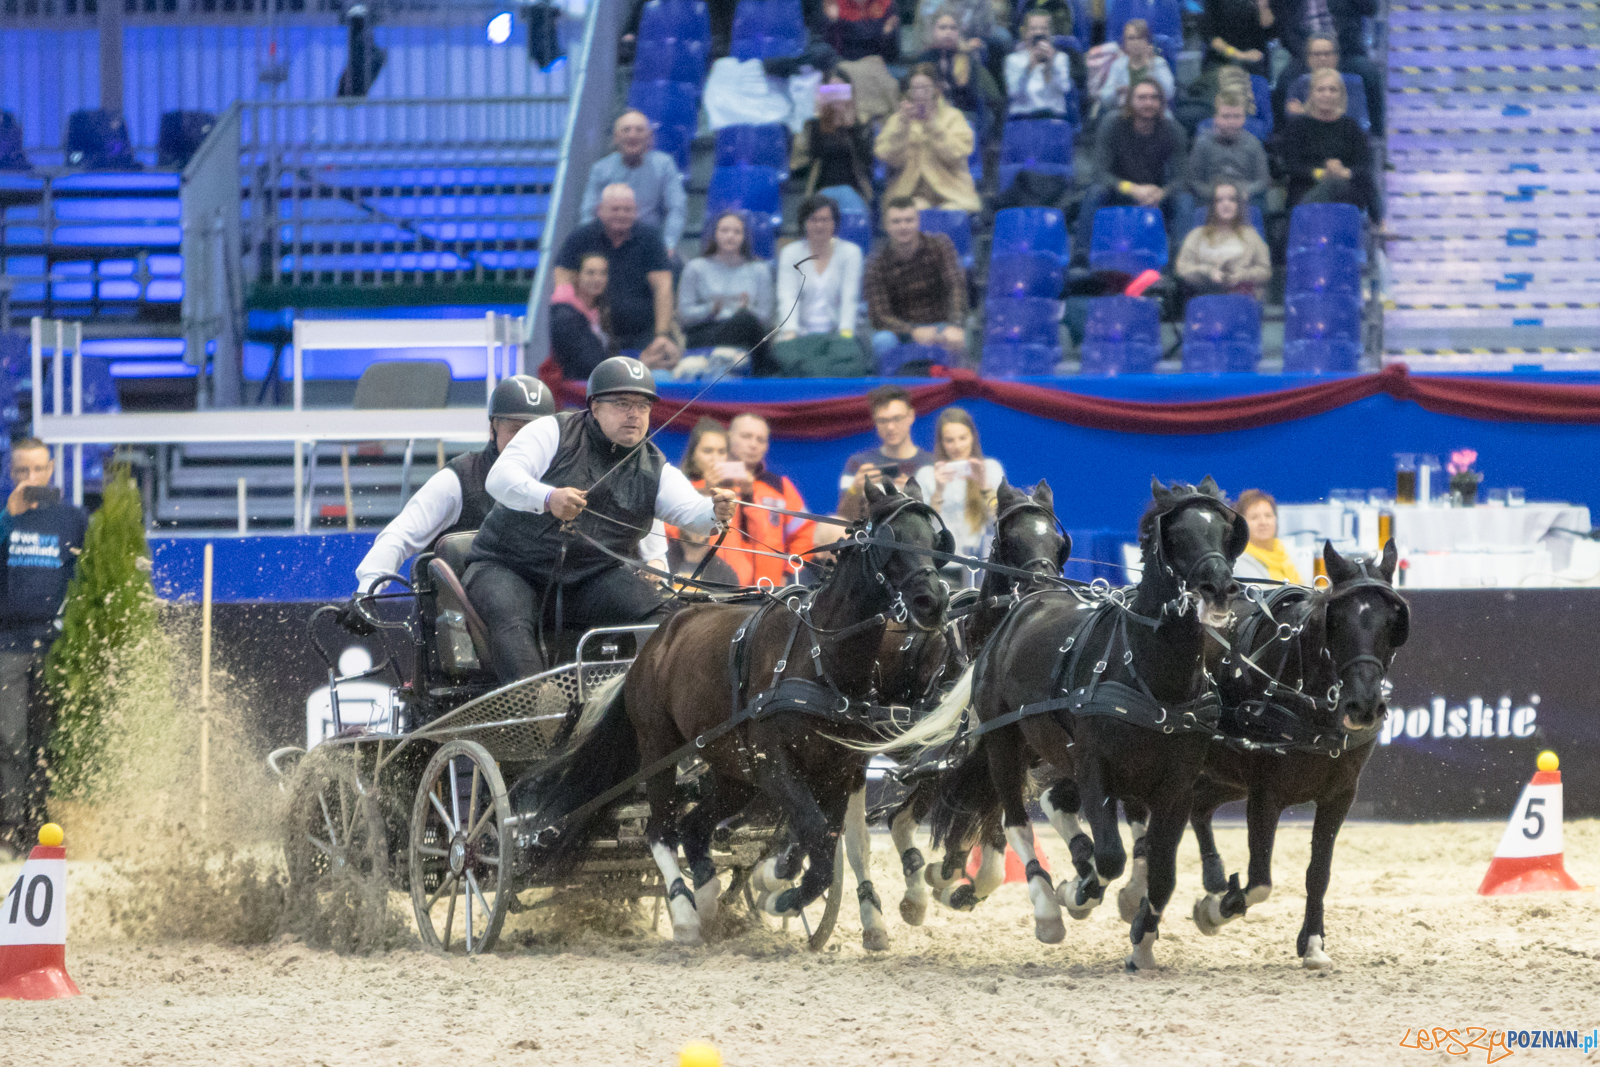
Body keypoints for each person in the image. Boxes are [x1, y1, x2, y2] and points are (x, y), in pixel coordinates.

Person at [464, 357, 735, 683]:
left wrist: (714, 513)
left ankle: (647, 701)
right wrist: (548, 499)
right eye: (622, 404)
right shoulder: (552, 430)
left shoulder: (654, 466)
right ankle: (535, 715)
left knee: (666, 616)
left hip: (588, 578)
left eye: (643, 406)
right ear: (594, 406)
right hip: (506, 567)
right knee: (510, 619)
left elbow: (692, 514)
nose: (635, 414)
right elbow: (500, 479)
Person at [355, 376, 561, 592]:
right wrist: (367, 589)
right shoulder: (460, 478)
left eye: (535, 432)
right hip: (463, 610)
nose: (525, 441)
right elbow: (400, 535)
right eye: (515, 429)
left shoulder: (564, 479)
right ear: (492, 430)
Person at [0, 440, 86, 855]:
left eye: (37, 470)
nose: (30, 479)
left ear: (51, 470)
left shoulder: (71, 519)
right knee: (9, 737)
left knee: (47, 738)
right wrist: (6, 521)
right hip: (7, 643)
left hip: (55, 644)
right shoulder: (4, 518)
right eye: (22, 471)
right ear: (10, 472)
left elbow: (88, 573)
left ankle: (42, 822)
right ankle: (10, 826)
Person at [552, 184, 680, 368]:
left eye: (627, 209)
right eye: (615, 209)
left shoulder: (651, 238)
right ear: (599, 211)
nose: (621, 214)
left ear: (636, 212)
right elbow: (563, 290)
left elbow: (663, 288)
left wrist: (662, 336)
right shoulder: (579, 238)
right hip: (594, 335)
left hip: (644, 334)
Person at [1078, 77, 1193, 254]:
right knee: (1094, 191)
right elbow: (1099, 173)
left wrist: (1162, 193)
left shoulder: (1174, 130)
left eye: (1154, 98)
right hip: (1120, 191)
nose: (1148, 103)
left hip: (1155, 195)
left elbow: (1182, 178)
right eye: (1142, 97)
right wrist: (1132, 188)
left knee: (1184, 199)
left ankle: (1182, 260)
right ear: (1130, 101)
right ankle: (1082, 255)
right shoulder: (1112, 124)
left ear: (1161, 102)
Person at [770, 195, 872, 377]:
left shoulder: (851, 252)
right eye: (813, 220)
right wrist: (790, 333)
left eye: (825, 220)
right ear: (804, 223)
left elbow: (850, 298)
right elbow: (787, 297)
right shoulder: (790, 253)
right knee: (788, 360)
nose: (819, 225)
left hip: (838, 334)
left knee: (848, 362)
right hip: (798, 335)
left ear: (835, 223)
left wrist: (845, 334)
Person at [718, 412, 818, 587]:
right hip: (719, 589)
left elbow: (805, 534)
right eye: (746, 436)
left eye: (761, 440)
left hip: (769, 593)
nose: (753, 444)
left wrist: (790, 573)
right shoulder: (710, 481)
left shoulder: (780, 486)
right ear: (728, 437)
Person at [863, 197, 968, 363]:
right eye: (896, 222)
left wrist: (954, 325)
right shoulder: (876, 261)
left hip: (940, 325)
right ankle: (888, 387)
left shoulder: (940, 245)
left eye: (908, 220)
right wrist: (913, 331)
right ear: (887, 226)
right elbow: (879, 316)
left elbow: (955, 287)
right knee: (882, 341)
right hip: (899, 332)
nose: (903, 226)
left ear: (918, 221)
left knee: (957, 338)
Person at [577, 110, 688, 256]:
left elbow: (677, 208)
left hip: (649, 244)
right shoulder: (600, 169)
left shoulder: (664, 165)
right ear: (616, 137)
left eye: (639, 130)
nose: (632, 135)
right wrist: (590, 244)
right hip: (608, 243)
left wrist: (669, 243)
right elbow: (588, 212)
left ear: (650, 138)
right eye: (626, 130)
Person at [873, 65, 981, 213]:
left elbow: (956, 154)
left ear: (936, 89)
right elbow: (887, 155)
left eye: (925, 88)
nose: (920, 94)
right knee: (916, 209)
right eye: (915, 89)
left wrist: (933, 126)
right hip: (909, 192)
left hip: (951, 190)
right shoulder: (899, 120)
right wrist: (902, 126)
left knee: (950, 212)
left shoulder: (953, 117)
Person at [1281, 69, 1379, 221]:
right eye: (1321, 89)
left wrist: (1344, 173)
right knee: (1334, 184)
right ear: (1311, 94)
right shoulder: (1297, 126)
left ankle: (1379, 219)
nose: (1327, 94)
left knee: (1355, 182)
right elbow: (1292, 166)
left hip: (1346, 193)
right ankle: (1378, 221)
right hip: (1306, 192)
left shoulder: (1351, 127)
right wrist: (1323, 173)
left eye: (1333, 90)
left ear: (1341, 95)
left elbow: (1364, 166)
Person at [913, 408, 1004, 573]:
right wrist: (938, 491)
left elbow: (999, 521)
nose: (958, 446)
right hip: (941, 566)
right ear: (941, 442)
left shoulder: (990, 469)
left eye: (963, 438)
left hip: (982, 565)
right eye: (950, 440)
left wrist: (984, 486)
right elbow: (923, 529)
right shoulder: (926, 474)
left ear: (973, 438)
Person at [1276, 1, 1384, 134]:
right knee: (1283, 81)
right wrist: (1306, 52)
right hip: (1304, 52)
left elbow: (1371, 9)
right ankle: (1281, 137)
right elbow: (1284, 24)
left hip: (1344, 51)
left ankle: (1377, 134)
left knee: (1369, 74)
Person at [678, 211, 775, 353]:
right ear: (714, 234)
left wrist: (746, 311)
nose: (730, 236)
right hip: (707, 330)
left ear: (744, 237)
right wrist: (711, 309)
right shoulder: (695, 268)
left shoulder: (760, 270)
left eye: (737, 232)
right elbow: (684, 315)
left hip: (746, 331)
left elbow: (766, 317)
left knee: (745, 321)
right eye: (724, 231)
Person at [836, 385, 936, 521]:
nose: (890, 427)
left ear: (911, 416)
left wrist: (914, 497)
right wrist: (856, 489)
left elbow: (941, 521)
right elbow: (844, 518)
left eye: (897, 418)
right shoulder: (858, 464)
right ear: (875, 421)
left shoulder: (931, 465)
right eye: (883, 420)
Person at [792, 71, 877, 215]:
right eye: (831, 91)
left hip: (854, 190)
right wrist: (818, 113)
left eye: (841, 91)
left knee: (848, 199)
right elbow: (800, 162)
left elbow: (868, 160)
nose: (836, 96)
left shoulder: (860, 124)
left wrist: (851, 125)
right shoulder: (813, 125)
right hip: (822, 189)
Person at [1175, 182, 1272, 299]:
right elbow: (1182, 268)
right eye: (1219, 200)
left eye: (1232, 200)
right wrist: (1208, 272)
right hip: (1204, 298)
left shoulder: (1251, 235)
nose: (1226, 204)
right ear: (1212, 206)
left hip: (1241, 299)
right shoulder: (1196, 235)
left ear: (1239, 205)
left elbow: (1265, 270)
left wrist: (1242, 275)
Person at [1186, 91, 1271, 212]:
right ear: (1216, 118)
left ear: (1244, 118)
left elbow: (1263, 180)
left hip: (1244, 199)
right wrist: (1216, 194)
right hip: (1211, 199)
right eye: (1226, 116)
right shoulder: (1202, 143)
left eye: (1237, 116)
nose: (1231, 122)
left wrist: (1245, 191)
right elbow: (1193, 181)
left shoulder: (1253, 143)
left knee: (1258, 204)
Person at [917, 9, 999, 121]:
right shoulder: (924, 59)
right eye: (942, 28)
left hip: (963, 115)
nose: (948, 32)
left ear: (959, 32)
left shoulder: (967, 58)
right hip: (930, 115)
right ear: (933, 31)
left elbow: (976, 97)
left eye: (953, 28)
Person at [1281, 33, 1372, 132]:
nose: (1322, 58)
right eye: (1317, 54)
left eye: (1327, 53)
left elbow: (1360, 121)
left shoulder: (1353, 83)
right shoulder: (1298, 84)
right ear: (1308, 59)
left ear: (1336, 57)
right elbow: (1292, 121)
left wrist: (1306, 111)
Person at [549, 252, 616, 379]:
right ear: (577, 276)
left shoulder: (601, 308)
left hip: (599, 380)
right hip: (576, 388)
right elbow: (586, 361)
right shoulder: (565, 314)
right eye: (590, 273)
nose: (598, 279)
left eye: (603, 273)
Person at [1095, 19, 1175, 122]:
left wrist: (1151, 65)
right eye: (1131, 38)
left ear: (1147, 41)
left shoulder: (1158, 63)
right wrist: (1117, 90)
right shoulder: (1118, 65)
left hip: (1153, 110)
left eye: (1140, 38)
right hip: (1124, 112)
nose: (1136, 42)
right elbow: (1105, 99)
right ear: (1125, 42)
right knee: (1109, 120)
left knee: (1168, 119)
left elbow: (1169, 93)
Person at [1006, 10, 1074, 120]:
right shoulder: (1014, 60)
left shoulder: (1060, 58)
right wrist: (1030, 66)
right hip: (1022, 118)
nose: (1039, 33)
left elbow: (1065, 88)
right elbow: (1013, 92)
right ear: (1025, 32)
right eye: (1033, 29)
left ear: (1050, 32)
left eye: (1044, 28)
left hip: (1053, 117)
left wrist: (1050, 66)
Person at [1233, 489, 1303, 584]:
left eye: (1268, 516)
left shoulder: (1289, 552)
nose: (1263, 522)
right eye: (1254, 517)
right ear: (1242, 524)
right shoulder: (1239, 561)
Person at [1200, 0, 1275, 80]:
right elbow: (1212, 38)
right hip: (1222, 60)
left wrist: (1263, 6)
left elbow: (1270, 31)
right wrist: (1241, 55)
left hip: (1256, 61)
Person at [823, 0, 900, 62]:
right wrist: (832, 22)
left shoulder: (886, 3)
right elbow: (830, 48)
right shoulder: (835, 4)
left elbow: (893, 54)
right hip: (847, 63)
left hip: (878, 63)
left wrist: (888, 34)